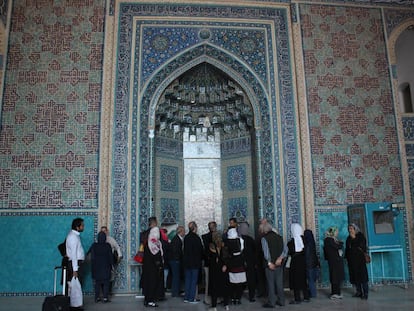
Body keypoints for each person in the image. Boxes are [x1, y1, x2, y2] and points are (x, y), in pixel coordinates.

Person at [260, 222, 286, 308]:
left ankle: (272, 302)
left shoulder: (264, 238)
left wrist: (269, 263)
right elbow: (285, 249)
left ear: (264, 230)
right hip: (279, 264)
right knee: (279, 283)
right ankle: (281, 301)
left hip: (270, 265)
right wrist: (280, 258)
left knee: (270, 284)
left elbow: (266, 252)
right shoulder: (279, 237)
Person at [65, 218, 85, 311]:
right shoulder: (73, 237)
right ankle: (74, 307)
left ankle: (76, 305)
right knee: (74, 286)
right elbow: (73, 254)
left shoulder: (74, 235)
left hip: (76, 264)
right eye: (82, 225)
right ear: (77, 227)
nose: (83, 227)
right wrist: (75, 269)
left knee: (76, 285)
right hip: (75, 264)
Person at [287, 223, 309, 304]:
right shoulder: (305, 240)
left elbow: (290, 252)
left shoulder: (291, 242)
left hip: (295, 263)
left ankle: (297, 298)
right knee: (303, 279)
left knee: (296, 280)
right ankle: (306, 297)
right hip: (303, 262)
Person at [345, 223, 369, 299]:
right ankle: (359, 292)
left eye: (351, 229)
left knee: (363, 277)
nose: (350, 230)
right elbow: (347, 249)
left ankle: (365, 293)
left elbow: (362, 247)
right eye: (349, 229)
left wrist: (354, 238)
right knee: (355, 277)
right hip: (352, 262)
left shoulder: (360, 236)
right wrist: (346, 258)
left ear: (355, 229)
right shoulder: (348, 238)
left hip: (360, 261)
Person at [141, 226, 164, 307]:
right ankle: (150, 300)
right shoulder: (153, 244)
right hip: (153, 268)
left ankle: (147, 300)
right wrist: (159, 264)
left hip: (147, 267)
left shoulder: (147, 242)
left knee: (148, 283)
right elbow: (156, 256)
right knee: (152, 283)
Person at [207, 231, 230, 311]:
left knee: (214, 288)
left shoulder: (211, 246)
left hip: (215, 269)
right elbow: (227, 257)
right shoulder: (224, 245)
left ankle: (214, 306)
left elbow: (209, 258)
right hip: (224, 269)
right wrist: (225, 265)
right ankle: (226, 305)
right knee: (225, 287)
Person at [90, 231, 113, 303]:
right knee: (106, 283)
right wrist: (112, 265)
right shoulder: (107, 245)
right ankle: (105, 297)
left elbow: (92, 257)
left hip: (96, 268)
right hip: (106, 267)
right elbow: (110, 257)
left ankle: (97, 298)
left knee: (97, 283)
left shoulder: (94, 245)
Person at [183, 221, 203, 304]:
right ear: (195, 228)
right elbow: (200, 250)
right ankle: (191, 298)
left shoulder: (186, 237)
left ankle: (186, 297)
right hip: (195, 262)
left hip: (187, 262)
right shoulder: (196, 238)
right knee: (193, 281)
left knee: (188, 280)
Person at [224, 227, 246, 305]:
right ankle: (238, 298)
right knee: (239, 283)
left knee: (232, 283)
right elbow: (242, 250)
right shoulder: (240, 241)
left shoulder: (227, 242)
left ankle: (232, 298)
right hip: (240, 264)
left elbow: (226, 254)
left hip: (231, 264)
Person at [323, 226, 345, 300]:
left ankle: (335, 292)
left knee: (335, 277)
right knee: (335, 277)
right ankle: (335, 293)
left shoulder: (329, 240)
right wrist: (341, 243)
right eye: (336, 231)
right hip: (335, 261)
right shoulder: (329, 240)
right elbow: (338, 247)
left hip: (334, 261)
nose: (337, 233)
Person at [238, 222, 256, 302]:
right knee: (251, 280)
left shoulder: (237, 239)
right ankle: (251, 296)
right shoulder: (250, 239)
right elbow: (255, 252)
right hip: (250, 263)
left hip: (240, 263)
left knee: (239, 279)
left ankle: (238, 296)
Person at [100, 226, 122, 294]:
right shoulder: (99, 239)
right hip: (101, 262)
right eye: (102, 231)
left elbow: (117, 247)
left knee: (110, 276)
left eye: (104, 231)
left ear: (107, 231)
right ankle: (103, 292)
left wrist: (119, 256)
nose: (103, 232)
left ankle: (108, 292)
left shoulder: (111, 239)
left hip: (109, 261)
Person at [201, 221, 217, 305]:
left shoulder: (205, 237)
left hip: (209, 262)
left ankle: (209, 299)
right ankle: (215, 299)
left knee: (209, 281)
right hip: (215, 263)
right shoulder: (217, 237)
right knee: (212, 281)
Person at [168, 225, 185, 298]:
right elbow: (176, 251)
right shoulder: (177, 239)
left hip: (174, 260)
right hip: (175, 260)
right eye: (183, 231)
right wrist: (178, 259)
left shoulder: (177, 239)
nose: (184, 232)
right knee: (176, 277)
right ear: (180, 232)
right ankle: (175, 293)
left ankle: (176, 292)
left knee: (176, 276)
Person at [304, 229, 320, 298]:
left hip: (309, 264)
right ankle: (313, 293)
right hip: (314, 264)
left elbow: (307, 255)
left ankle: (313, 294)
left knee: (310, 280)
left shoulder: (307, 244)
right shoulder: (312, 243)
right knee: (312, 280)